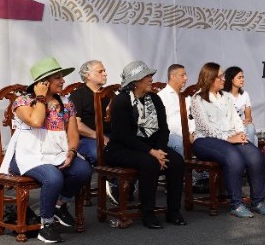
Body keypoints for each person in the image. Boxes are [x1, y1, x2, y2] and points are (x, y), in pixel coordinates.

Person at [0, 57, 94, 244]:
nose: (63, 81)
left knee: (84, 170)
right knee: (53, 177)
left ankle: (59, 205)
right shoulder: (22, 102)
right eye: (58, 77)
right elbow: (36, 121)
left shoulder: (66, 103)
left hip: (55, 154)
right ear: (43, 82)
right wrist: (41, 97)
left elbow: (73, 133)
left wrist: (73, 151)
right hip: (27, 156)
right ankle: (46, 225)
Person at [105, 61, 186, 229]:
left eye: (150, 75)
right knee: (149, 163)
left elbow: (164, 129)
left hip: (152, 147)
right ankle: (148, 213)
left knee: (177, 161)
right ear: (135, 81)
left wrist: (161, 151)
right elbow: (123, 135)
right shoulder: (121, 101)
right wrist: (152, 152)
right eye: (147, 76)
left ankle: (174, 212)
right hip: (123, 148)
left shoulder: (155, 99)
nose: (151, 79)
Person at [190, 62, 265, 218]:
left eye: (223, 76)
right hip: (205, 141)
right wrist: (228, 138)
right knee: (234, 158)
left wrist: (240, 134)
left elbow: (236, 120)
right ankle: (236, 204)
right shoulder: (198, 98)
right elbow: (205, 127)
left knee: (256, 156)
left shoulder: (226, 96)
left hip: (229, 138)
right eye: (220, 76)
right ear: (209, 78)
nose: (223, 79)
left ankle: (258, 201)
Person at [68, 59, 108, 165]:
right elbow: (76, 124)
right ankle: (113, 179)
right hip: (87, 138)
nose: (105, 74)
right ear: (88, 75)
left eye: (104, 71)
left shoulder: (109, 94)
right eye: (100, 71)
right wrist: (99, 136)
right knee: (99, 153)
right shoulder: (78, 95)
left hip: (109, 136)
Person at [156, 63, 189, 154]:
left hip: (190, 132)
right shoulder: (161, 96)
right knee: (179, 143)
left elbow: (191, 117)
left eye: (185, 75)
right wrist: (186, 134)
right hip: (171, 134)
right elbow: (165, 124)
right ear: (173, 77)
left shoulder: (186, 96)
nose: (186, 78)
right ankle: (183, 168)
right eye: (182, 75)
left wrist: (193, 132)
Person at [224, 65, 256, 146]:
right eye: (239, 77)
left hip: (241, 125)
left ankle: (249, 152)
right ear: (231, 79)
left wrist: (247, 121)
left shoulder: (245, 94)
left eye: (243, 77)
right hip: (229, 126)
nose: (242, 80)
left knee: (250, 127)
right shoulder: (224, 95)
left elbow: (248, 118)